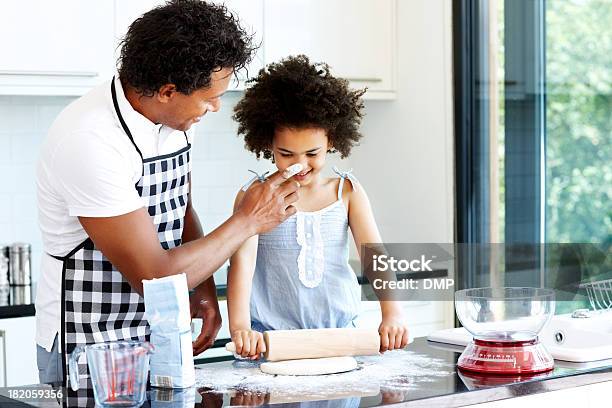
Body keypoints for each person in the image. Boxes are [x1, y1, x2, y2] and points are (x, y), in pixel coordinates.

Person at [35, 0, 300, 389]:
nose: (215, 108)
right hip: (90, 343)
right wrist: (248, 220)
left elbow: (180, 206)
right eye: (210, 98)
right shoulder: (90, 141)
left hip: (159, 334)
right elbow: (155, 277)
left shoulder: (175, 117)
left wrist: (204, 291)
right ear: (167, 90)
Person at [227, 55, 409, 359]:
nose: (300, 164)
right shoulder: (254, 196)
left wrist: (392, 313)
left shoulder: (346, 191)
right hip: (272, 344)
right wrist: (240, 327)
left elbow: (374, 255)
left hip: (340, 338)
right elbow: (242, 265)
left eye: (312, 153)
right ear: (268, 144)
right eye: (286, 154)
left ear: (332, 142)